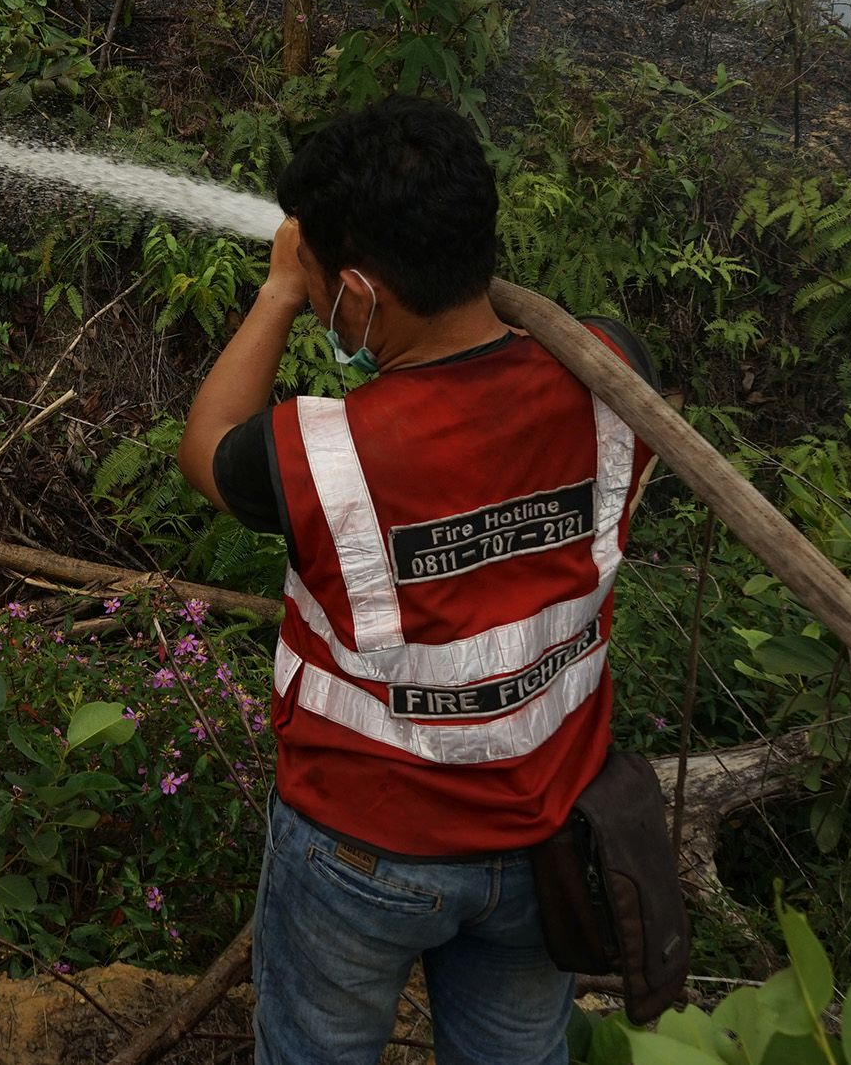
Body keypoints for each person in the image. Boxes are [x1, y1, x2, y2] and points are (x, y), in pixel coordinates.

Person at [178, 96, 657, 1065]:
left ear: (359, 292)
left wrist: (273, 294)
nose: (312, 301)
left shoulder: (321, 452)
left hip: (360, 853)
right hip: (545, 843)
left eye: (316, 286)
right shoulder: (615, 375)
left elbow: (205, 449)